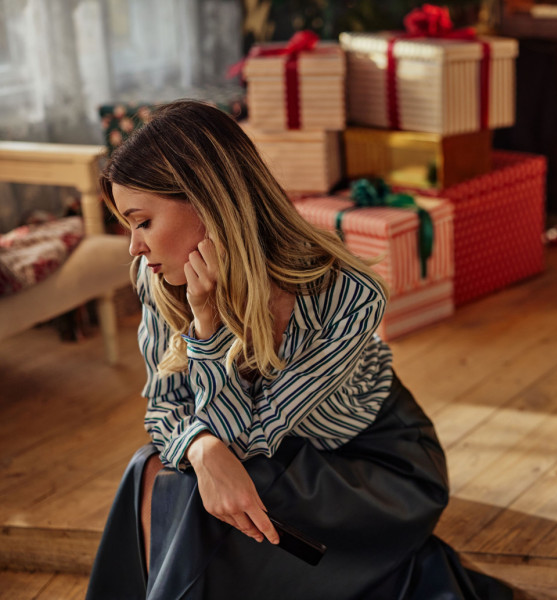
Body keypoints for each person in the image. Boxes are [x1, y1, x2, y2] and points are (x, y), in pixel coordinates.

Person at [85, 100, 512, 600]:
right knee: (159, 467)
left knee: (186, 481)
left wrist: (208, 328)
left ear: (207, 202)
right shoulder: (158, 276)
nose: (134, 247)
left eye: (141, 222)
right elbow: (166, 408)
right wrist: (201, 448)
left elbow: (252, 438)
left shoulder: (347, 293)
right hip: (283, 458)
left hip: (377, 471)